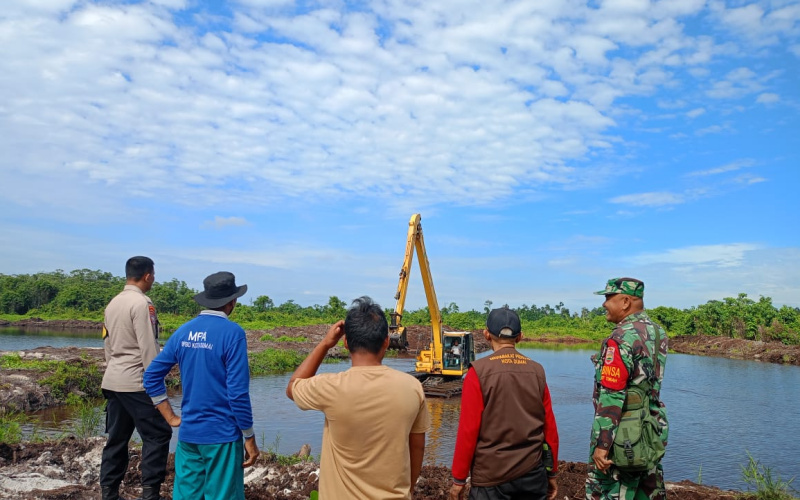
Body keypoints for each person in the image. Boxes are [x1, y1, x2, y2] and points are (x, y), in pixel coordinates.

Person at [286, 296, 431, 499]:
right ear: (387, 342)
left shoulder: (331, 387)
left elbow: (292, 387)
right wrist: (410, 488)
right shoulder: (412, 387)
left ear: (345, 343)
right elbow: (418, 446)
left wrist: (325, 344)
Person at [143, 271, 259, 500]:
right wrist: (249, 436)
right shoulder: (233, 333)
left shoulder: (184, 331)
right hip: (222, 436)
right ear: (231, 302)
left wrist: (172, 417)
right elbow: (237, 394)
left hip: (189, 435)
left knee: (187, 496)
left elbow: (151, 377)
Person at [450, 307, 559, 500]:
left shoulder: (477, 373)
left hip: (491, 478)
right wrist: (552, 472)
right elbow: (550, 428)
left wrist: (459, 479)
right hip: (532, 474)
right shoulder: (537, 371)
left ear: (486, 334)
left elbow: (468, 431)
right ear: (520, 337)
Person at [585, 278, 668, 500]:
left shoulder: (620, 337)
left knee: (607, 491)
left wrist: (603, 444)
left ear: (625, 302)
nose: (604, 304)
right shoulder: (657, 332)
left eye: (608, 298)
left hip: (622, 439)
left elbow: (613, 394)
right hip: (649, 431)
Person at [100, 256, 172, 500]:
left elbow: (107, 345)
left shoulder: (113, 303)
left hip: (113, 380)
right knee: (158, 434)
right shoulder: (143, 304)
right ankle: (150, 493)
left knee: (117, 439)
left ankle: (109, 493)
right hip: (136, 382)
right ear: (148, 276)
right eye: (154, 275)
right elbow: (149, 348)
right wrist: (157, 386)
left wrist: (113, 370)